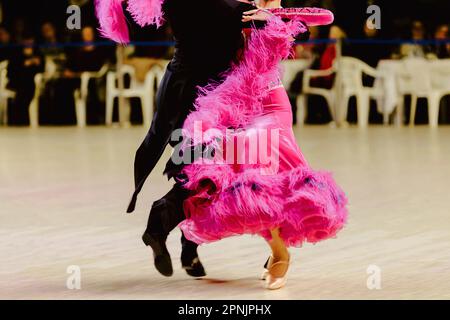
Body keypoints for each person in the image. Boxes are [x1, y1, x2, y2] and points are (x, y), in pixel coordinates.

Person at [178, 3, 347, 290]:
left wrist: (273, 15)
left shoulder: (276, 13)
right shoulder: (232, 11)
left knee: (268, 174)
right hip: (240, 104)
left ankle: (280, 254)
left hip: (272, 104)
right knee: (250, 182)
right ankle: (276, 249)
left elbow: (326, 16)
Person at [96, 0, 257, 278]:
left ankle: (186, 245)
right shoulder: (210, 6)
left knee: (203, 174)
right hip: (194, 95)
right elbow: (227, 12)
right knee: (202, 172)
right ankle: (162, 228)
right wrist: (263, 15)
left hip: (200, 91)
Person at [7, 33, 44, 125]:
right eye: (27, 41)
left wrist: (35, 63)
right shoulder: (16, 53)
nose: (29, 43)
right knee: (23, 91)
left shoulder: (37, 53)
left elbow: (42, 69)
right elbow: (12, 70)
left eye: (31, 41)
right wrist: (25, 63)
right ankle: (19, 121)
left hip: (32, 82)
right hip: (17, 81)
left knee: (28, 89)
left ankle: (24, 121)